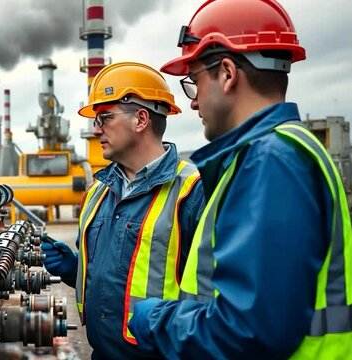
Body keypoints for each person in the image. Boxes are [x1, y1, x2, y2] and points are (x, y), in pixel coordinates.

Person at [127, 0, 352, 359]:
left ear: (228, 73)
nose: (194, 103)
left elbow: (250, 331)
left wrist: (156, 319)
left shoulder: (270, 161)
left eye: (194, 82)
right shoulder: (277, 152)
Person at [41, 62, 205, 359]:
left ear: (141, 119)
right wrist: (76, 269)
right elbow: (126, 274)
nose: (95, 128)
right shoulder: (96, 193)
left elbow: (209, 296)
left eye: (104, 117)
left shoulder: (193, 192)